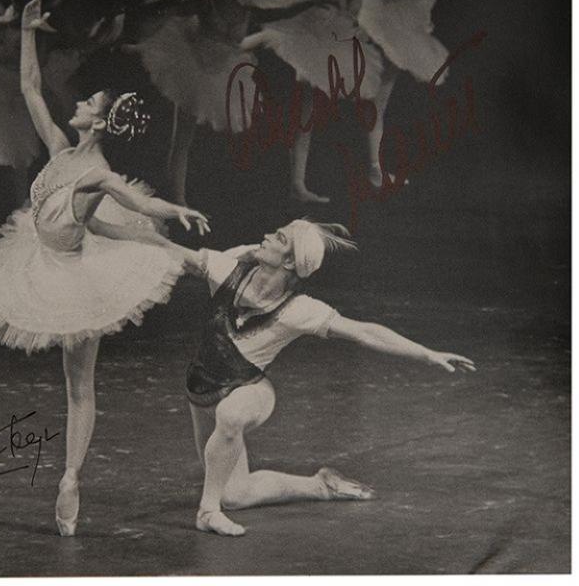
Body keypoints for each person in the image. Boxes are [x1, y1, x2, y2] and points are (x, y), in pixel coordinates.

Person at [0, 0, 210, 537]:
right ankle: (186, 257)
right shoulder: (57, 147)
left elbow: (136, 202)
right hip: (43, 251)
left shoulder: (95, 170)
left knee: (79, 387)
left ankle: (71, 476)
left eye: (87, 101)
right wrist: (27, 31)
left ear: (97, 123)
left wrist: (176, 208)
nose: (75, 102)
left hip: (75, 275)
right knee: (76, 377)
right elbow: (28, 87)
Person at [167, 219, 475, 536]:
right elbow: (166, 249)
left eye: (279, 237)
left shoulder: (299, 310)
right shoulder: (225, 270)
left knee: (230, 415)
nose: (266, 236)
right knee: (235, 494)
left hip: (248, 390)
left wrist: (426, 353)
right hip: (201, 389)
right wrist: (113, 223)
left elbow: (364, 332)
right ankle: (321, 486)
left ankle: (207, 512)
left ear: (289, 261)